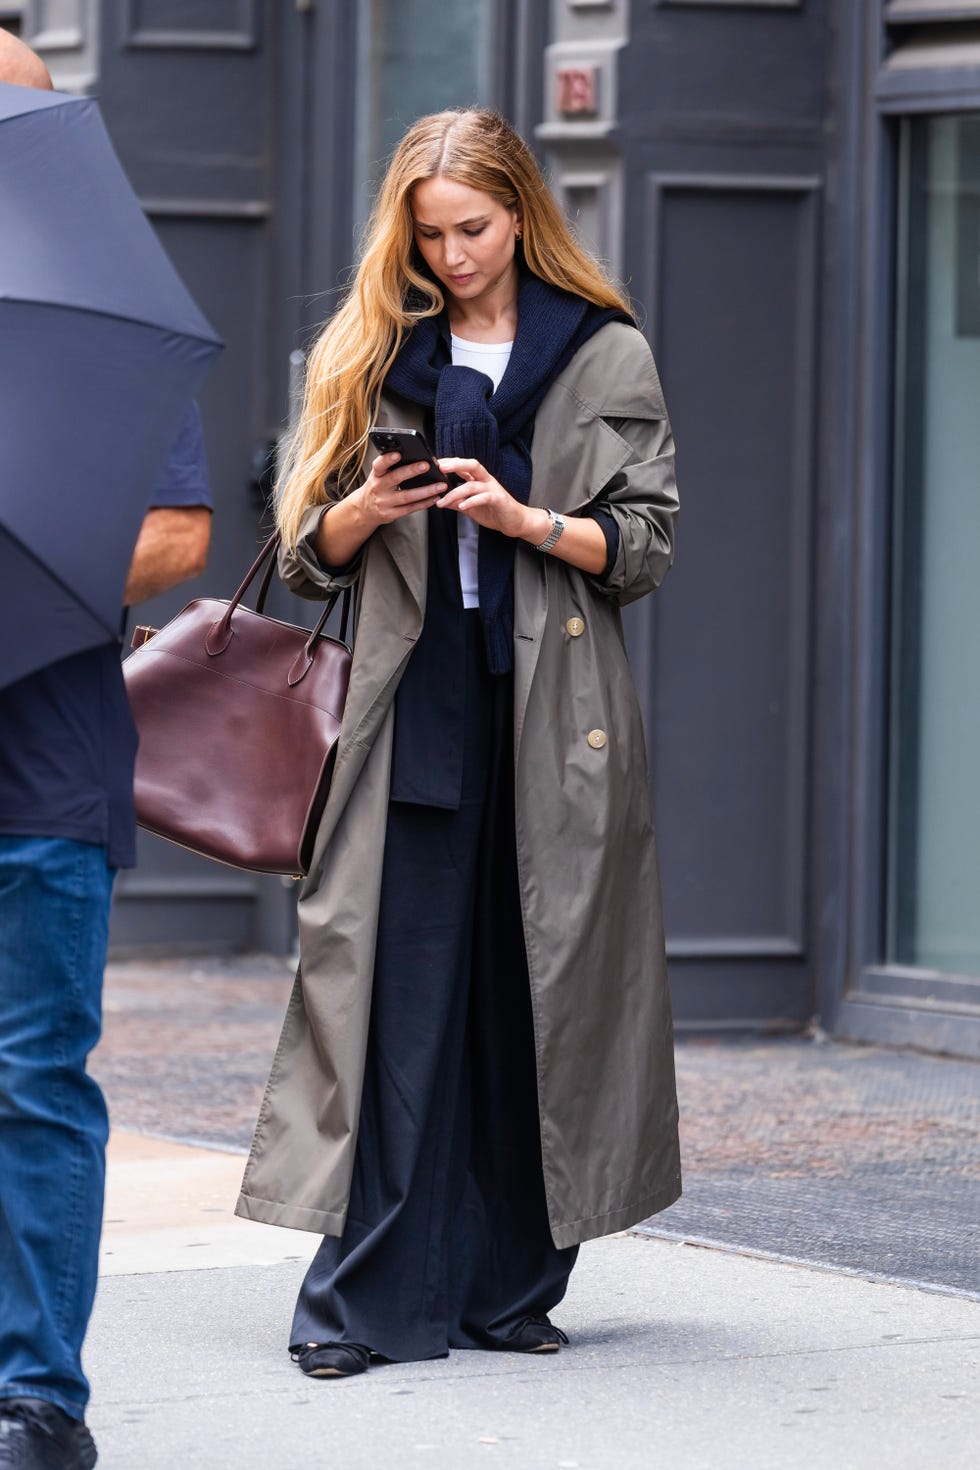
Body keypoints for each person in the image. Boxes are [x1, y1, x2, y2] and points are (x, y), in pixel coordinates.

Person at [235, 107, 681, 1378]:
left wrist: (527, 517)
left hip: (554, 724)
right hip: (407, 714)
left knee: (534, 1008)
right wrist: (362, 511)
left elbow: (643, 548)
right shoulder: (373, 348)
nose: (452, 256)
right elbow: (306, 559)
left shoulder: (603, 354)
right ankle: (359, 1303)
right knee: (390, 1007)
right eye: (429, 235)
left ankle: (507, 1287)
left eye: (472, 230)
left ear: (521, 214)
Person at [0, 37, 215, 1469]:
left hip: (45, 775)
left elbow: (182, 533)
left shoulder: (97, 326)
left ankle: (35, 1397)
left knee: (29, 1078)